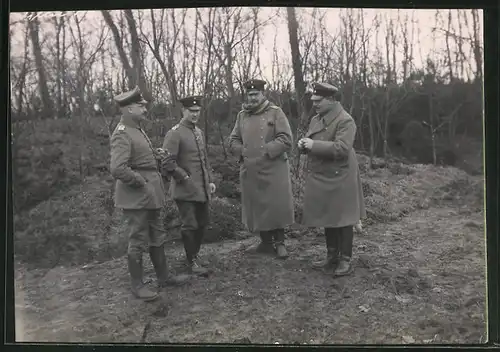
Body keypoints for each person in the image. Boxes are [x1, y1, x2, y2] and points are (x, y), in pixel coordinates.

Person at [109, 86, 190, 302]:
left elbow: (138, 157)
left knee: (157, 234)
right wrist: (141, 181)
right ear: (128, 109)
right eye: (140, 105)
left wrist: (155, 155)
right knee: (137, 239)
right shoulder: (122, 133)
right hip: (136, 195)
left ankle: (164, 277)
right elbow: (118, 168)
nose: (145, 109)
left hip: (151, 193)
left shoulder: (137, 129)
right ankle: (138, 285)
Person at [298, 82, 366, 277]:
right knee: (328, 215)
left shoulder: (346, 120)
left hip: (341, 174)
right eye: (313, 100)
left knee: (343, 217)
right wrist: (304, 145)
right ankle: (331, 256)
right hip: (323, 174)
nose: (314, 104)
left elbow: (342, 149)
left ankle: (345, 260)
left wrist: (313, 145)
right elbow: (314, 142)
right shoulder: (316, 119)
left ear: (331, 100)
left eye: (318, 101)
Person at [228, 79, 294, 259]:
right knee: (257, 206)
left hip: (274, 167)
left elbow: (286, 139)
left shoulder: (275, 113)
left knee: (276, 205)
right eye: (249, 95)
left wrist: (266, 150)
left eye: (256, 94)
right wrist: (242, 151)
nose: (252, 98)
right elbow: (233, 139)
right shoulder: (242, 115)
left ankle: (280, 243)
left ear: (263, 94)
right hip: (251, 168)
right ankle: (265, 242)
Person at [161, 95, 216, 276]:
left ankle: (195, 256)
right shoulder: (175, 133)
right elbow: (167, 161)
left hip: (201, 188)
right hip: (184, 190)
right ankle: (191, 261)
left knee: (202, 224)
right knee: (190, 225)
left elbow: (204, 159)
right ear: (183, 111)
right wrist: (183, 177)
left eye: (197, 111)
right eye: (191, 111)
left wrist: (210, 181)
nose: (194, 115)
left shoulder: (198, 132)